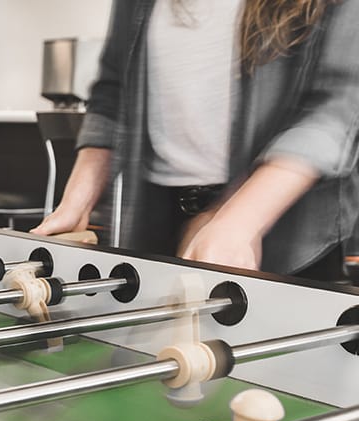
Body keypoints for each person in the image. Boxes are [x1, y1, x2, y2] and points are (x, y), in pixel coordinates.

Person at [32, 0, 359, 280]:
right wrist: (77, 202)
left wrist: (238, 221)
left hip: (281, 227)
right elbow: (114, 90)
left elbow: (336, 107)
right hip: (159, 219)